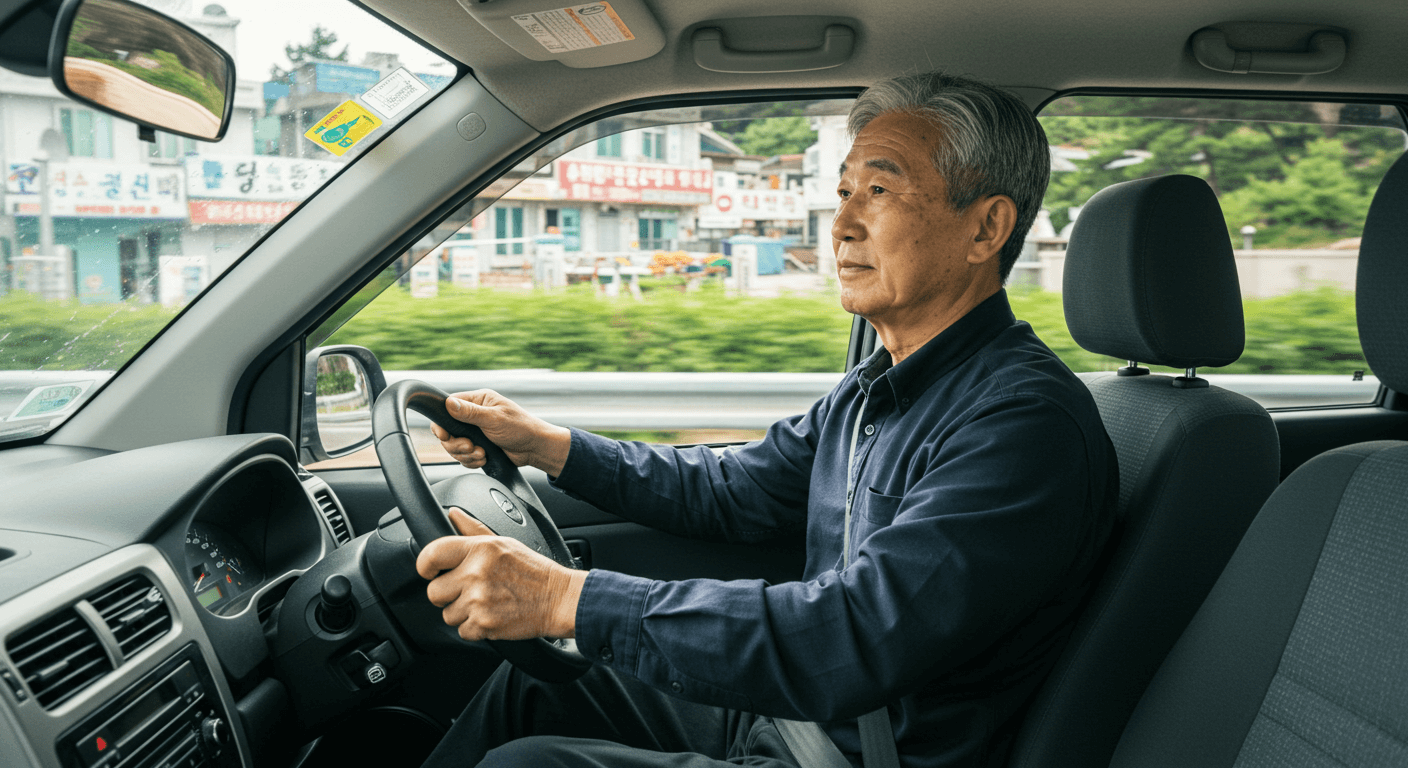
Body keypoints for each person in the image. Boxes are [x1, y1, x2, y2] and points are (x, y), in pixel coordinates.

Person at [416, 71, 1117, 768]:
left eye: (879, 191)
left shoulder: (1022, 425)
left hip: (856, 757)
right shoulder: (875, 390)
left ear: (985, 227)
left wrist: (568, 598)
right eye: (844, 192)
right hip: (799, 721)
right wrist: (547, 445)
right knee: (530, 689)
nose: (841, 224)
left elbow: (854, 637)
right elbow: (728, 488)